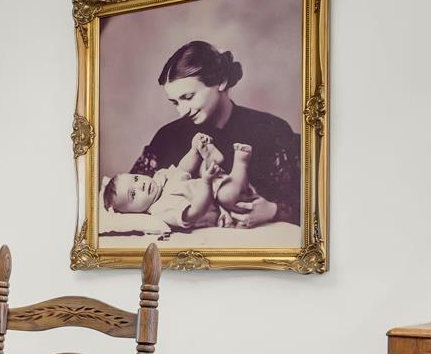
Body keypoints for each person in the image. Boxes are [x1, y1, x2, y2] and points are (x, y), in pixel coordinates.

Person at [119, 39, 300, 227]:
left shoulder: (270, 130)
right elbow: (124, 201)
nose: (182, 111)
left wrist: (272, 210)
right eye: (175, 102)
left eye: (188, 97)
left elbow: (311, 205)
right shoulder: (167, 137)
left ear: (220, 81)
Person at [102, 133, 279, 229]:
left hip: (216, 184)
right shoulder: (160, 210)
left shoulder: (159, 179)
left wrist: (194, 150)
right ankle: (241, 162)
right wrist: (206, 182)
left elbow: (183, 169)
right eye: (133, 194)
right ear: (134, 213)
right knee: (226, 194)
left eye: (135, 178)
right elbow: (196, 211)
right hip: (225, 207)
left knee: (202, 168)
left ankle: (209, 157)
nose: (140, 185)